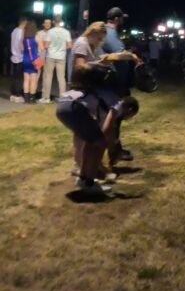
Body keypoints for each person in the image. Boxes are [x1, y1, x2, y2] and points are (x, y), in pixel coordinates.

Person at [55, 63, 139, 196]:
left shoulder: (97, 90)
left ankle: (84, 177)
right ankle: (88, 182)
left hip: (63, 104)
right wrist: (112, 147)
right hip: (73, 107)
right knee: (99, 142)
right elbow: (107, 128)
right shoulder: (115, 100)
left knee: (91, 141)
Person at [41, 19, 72, 103]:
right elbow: (70, 46)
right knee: (61, 77)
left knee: (48, 77)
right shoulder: (66, 32)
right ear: (61, 22)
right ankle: (62, 97)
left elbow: (46, 46)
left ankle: (46, 98)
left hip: (50, 56)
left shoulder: (50, 32)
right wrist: (62, 48)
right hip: (61, 56)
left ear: (54, 22)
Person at [21, 20, 40, 103]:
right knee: (33, 79)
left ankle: (26, 99)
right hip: (34, 60)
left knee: (26, 79)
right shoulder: (36, 37)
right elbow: (42, 48)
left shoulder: (24, 38)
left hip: (25, 59)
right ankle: (32, 99)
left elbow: (21, 48)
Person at [9, 16, 27, 103]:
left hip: (14, 56)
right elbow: (21, 45)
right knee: (19, 78)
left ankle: (13, 94)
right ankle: (17, 95)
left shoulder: (14, 31)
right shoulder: (21, 32)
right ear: (24, 22)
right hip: (20, 57)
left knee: (15, 77)